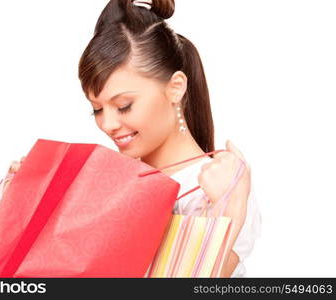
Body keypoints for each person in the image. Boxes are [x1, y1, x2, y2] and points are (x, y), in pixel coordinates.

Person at [77, 0, 261, 277]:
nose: (108, 124)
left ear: (176, 88)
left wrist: (228, 210)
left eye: (124, 105)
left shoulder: (215, 187)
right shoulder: (110, 183)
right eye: (98, 110)